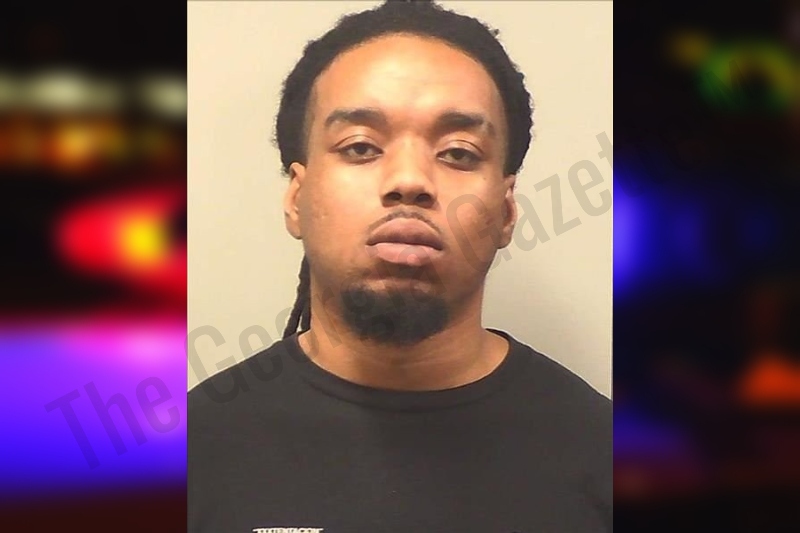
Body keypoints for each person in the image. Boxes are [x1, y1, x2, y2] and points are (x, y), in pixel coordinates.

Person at [188, 1, 612, 531]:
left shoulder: (605, 459)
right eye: (361, 147)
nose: (409, 180)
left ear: (506, 212)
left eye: (458, 153)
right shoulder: (191, 453)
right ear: (297, 199)